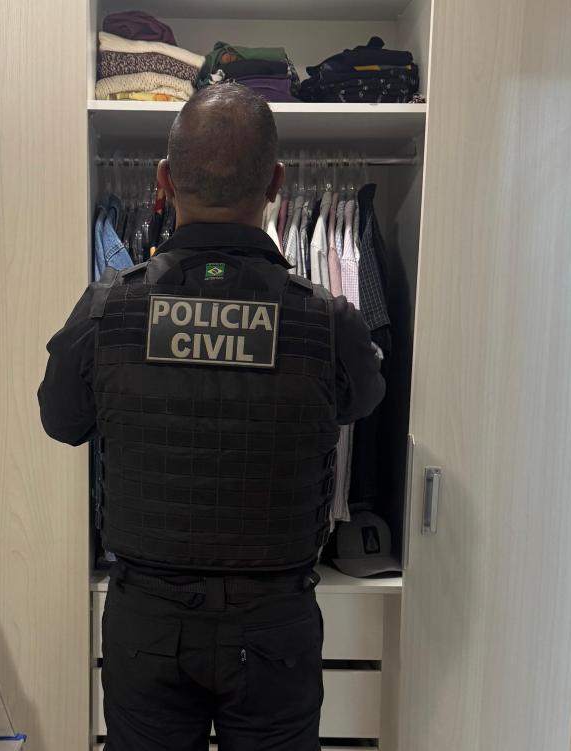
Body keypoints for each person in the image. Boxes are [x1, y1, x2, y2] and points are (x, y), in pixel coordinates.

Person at [38, 84, 385, 750]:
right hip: (274, 625)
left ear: (164, 180)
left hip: (148, 622)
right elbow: (359, 403)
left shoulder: (108, 308)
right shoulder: (326, 320)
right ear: (277, 183)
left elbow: (62, 420)